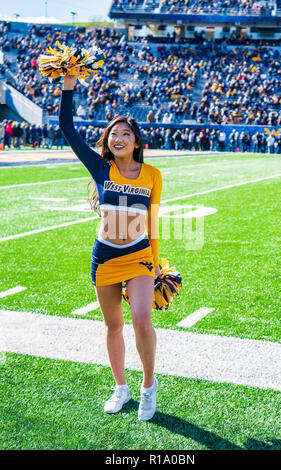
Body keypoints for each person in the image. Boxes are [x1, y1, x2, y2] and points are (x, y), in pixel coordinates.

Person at [59, 70, 163, 421]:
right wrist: (68, 87)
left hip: (139, 256)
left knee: (141, 319)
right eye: (113, 134)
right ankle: (121, 387)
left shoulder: (152, 175)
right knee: (113, 326)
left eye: (125, 134)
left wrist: (157, 261)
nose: (118, 138)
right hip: (104, 258)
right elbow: (68, 130)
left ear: (136, 141)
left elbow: (153, 222)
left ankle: (148, 387)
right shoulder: (100, 167)